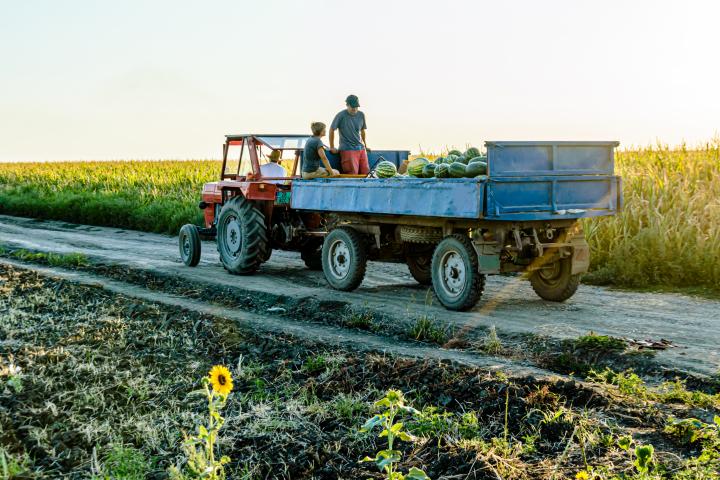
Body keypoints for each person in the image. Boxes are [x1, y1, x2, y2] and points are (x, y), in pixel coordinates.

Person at [329, 94, 368, 174]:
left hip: (361, 148)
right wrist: (332, 146)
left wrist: (366, 145)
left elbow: (362, 131)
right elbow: (332, 129)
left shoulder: (361, 115)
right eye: (352, 106)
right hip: (347, 149)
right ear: (347, 105)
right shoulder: (341, 115)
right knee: (352, 174)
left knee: (366, 173)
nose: (354, 108)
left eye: (356, 106)